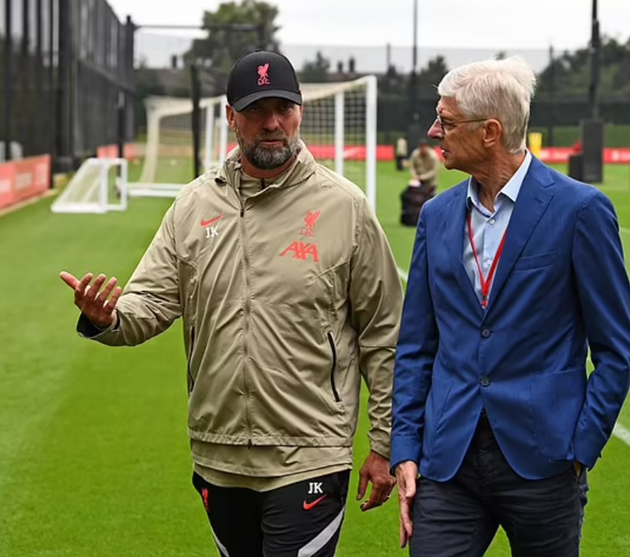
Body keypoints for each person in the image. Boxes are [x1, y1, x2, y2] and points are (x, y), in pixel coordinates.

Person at [60, 50, 402, 557]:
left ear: (300, 110)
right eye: (257, 110)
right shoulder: (194, 205)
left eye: (283, 108)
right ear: (230, 116)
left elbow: (385, 331)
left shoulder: (345, 207)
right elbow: (151, 301)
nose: (272, 123)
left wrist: (384, 442)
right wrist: (109, 318)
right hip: (218, 453)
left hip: (309, 452)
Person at [391, 56, 630, 557]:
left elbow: (616, 349)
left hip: (545, 463)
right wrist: (406, 450)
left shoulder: (581, 211)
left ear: (490, 132)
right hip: (447, 461)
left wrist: (581, 447)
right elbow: (416, 346)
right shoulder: (434, 216)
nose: (435, 131)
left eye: (447, 121)